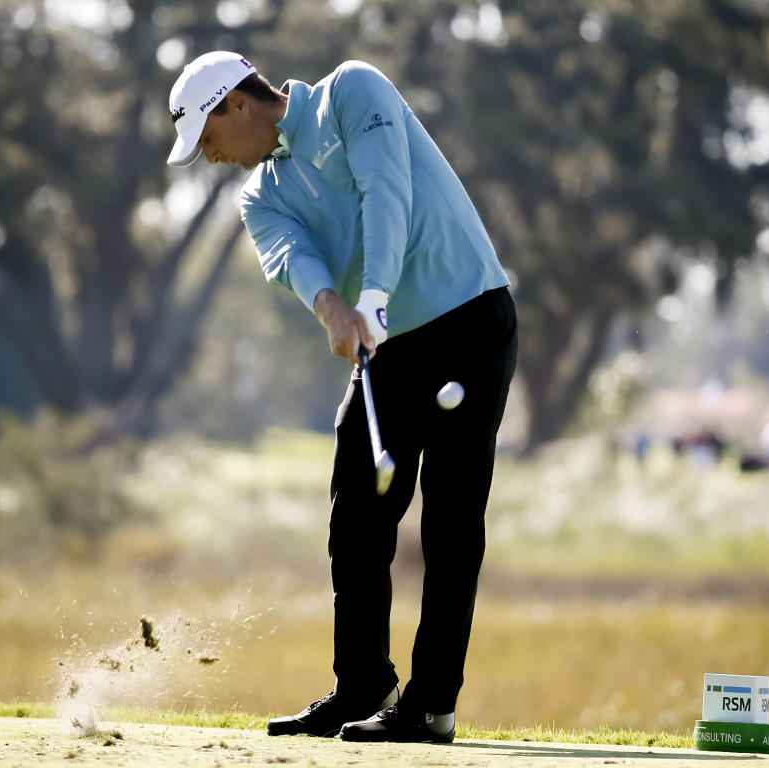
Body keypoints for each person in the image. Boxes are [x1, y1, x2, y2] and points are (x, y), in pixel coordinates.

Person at [166, 52, 517, 744]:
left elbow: (387, 192)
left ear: (237, 103)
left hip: (469, 316)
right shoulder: (259, 193)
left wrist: (375, 300)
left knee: (449, 518)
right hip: (385, 342)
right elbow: (295, 261)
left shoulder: (351, 93)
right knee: (355, 509)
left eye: (207, 139)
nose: (209, 159)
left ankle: (431, 705)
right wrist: (334, 310)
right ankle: (362, 682)